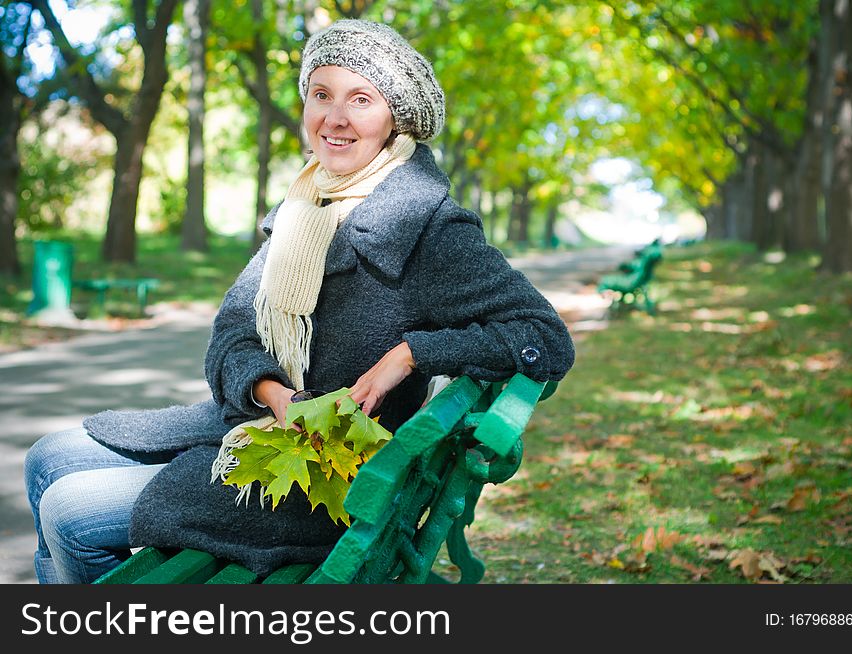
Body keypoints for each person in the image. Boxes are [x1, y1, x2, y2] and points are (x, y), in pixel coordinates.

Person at [24, 19, 576, 584]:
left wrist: (410, 354)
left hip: (331, 480)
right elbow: (233, 331)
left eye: (360, 99)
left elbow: (544, 337)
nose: (334, 118)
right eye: (321, 95)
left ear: (395, 119)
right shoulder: (303, 207)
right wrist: (275, 394)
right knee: (46, 458)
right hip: (266, 424)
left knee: (71, 513)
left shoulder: (428, 225)